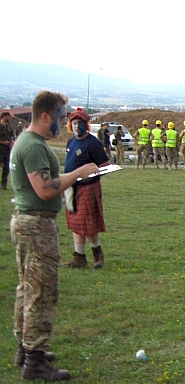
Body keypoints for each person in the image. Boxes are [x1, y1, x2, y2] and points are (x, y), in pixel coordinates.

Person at [10, 91, 99, 381]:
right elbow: (45, 189)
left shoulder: (27, 141)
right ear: (45, 116)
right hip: (36, 225)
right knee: (42, 291)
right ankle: (35, 361)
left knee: (27, 287)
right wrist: (79, 173)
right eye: (60, 117)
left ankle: (25, 349)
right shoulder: (33, 146)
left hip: (27, 222)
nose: (62, 124)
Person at [63, 108, 111, 268]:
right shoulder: (71, 141)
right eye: (74, 123)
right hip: (71, 188)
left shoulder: (92, 143)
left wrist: (89, 176)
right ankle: (79, 258)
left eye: (80, 123)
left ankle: (97, 252)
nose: (77, 127)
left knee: (88, 223)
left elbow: (105, 166)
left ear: (86, 125)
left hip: (88, 188)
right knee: (75, 223)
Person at [0, 109, 16, 190]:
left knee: (6, 167)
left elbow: (12, 135)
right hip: (0, 149)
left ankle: (3, 184)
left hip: (8, 149)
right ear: (5, 116)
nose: (9, 118)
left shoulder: (9, 126)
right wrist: (3, 142)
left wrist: (12, 142)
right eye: (8, 116)